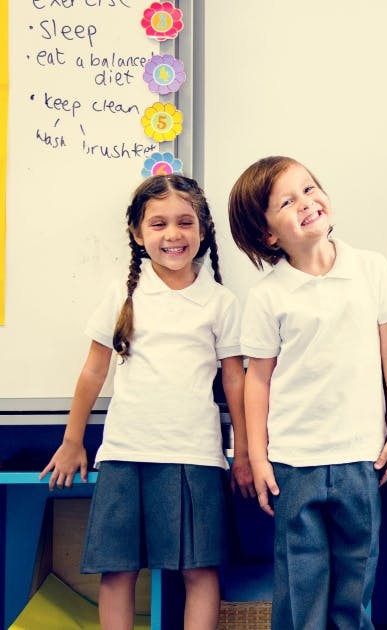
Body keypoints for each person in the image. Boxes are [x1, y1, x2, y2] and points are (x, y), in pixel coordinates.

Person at [41, 174, 248, 629]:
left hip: (195, 455)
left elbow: (235, 381)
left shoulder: (221, 302)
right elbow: (94, 370)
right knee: (118, 569)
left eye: (184, 222)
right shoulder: (124, 294)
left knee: (200, 568)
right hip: (125, 452)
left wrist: (246, 455)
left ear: (202, 230)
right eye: (158, 224)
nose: (173, 235)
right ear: (137, 234)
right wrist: (73, 440)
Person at [228, 156, 387, 629]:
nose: (306, 203)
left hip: (360, 458)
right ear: (268, 235)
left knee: (355, 588)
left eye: (309, 189)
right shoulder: (269, 295)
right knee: (301, 587)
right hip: (295, 461)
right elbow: (258, 379)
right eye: (287, 202)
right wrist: (258, 454)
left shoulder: (371, 269)